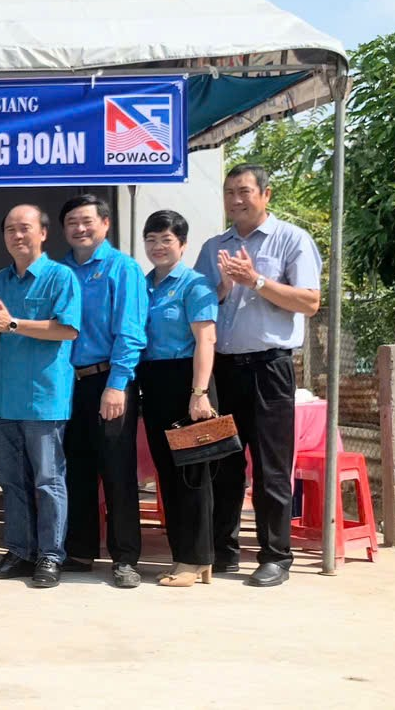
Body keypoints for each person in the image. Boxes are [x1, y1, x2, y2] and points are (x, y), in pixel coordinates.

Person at [194, 163, 321, 587]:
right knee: (223, 464)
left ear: (266, 195)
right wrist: (223, 289)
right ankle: (223, 551)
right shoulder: (214, 247)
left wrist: (256, 281)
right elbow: (197, 307)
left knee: (271, 467)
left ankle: (275, 557)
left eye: (244, 191)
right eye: (229, 192)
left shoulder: (292, 239)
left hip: (270, 367)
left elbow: (310, 302)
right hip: (224, 368)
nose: (236, 200)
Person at [0, 204, 81, 589]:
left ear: (43, 233)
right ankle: (19, 552)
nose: (17, 235)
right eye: (10, 229)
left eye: (24, 228)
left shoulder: (60, 277)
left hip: (44, 397)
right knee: (11, 481)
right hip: (5, 396)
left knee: (48, 481)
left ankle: (51, 555)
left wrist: (12, 323)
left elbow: (67, 330)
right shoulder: (1, 279)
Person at [58, 194, 147, 588]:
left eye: (87, 221)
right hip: (67, 384)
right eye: (72, 222)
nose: (80, 228)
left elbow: (131, 330)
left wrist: (117, 384)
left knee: (117, 471)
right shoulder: (60, 271)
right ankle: (79, 550)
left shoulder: (122, 268)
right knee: (75, 468)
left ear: (105, 224)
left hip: (109, 380)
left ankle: (125, 558)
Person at [137, 210, 220, 587]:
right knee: (167, 474)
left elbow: (206, 339)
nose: (158, 247)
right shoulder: (143, 286)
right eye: (151, 240)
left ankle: (196, 559)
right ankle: (182, 556)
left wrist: (199, 394)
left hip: (189, 382)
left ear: (183, 245)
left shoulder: (195, 284)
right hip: (154, 381)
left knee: (193, 474)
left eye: (166, 240)